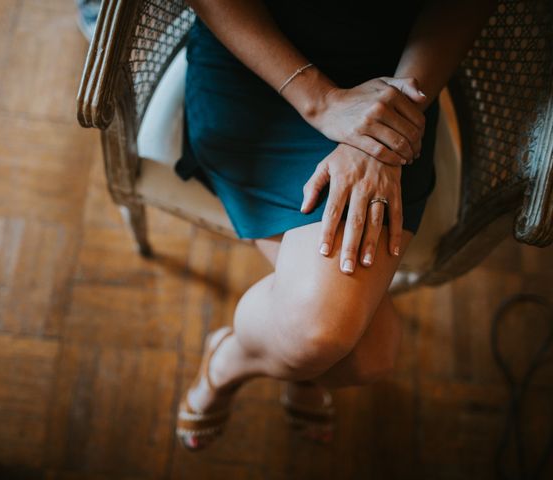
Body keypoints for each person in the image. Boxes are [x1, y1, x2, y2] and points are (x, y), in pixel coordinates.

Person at [171, 0, 497, 450]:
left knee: (365, 357)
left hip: (397, 82)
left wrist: (379, 136)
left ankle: (247, 358)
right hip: (264, 66)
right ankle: (256, 366)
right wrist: (321, 102)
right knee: (350, 346)